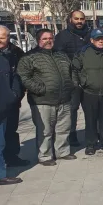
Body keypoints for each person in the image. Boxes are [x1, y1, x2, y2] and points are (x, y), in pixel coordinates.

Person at [17, 29, 76, 166]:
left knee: (63, 128)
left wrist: (72, 84)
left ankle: (62, 151)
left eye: (51, 38)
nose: (49, 41)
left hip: (64, 98)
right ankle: (45, 155)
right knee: (45, 130)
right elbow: (23, 76)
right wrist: (39, 89)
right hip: (43, 100)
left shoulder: (61, 54)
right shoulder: (30, 57)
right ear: (38, 41)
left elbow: (71, 71)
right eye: (45, 39)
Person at [71, 29, 103, 155]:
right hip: (89, 92)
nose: (101, 41)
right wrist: (81, 83)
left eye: (102, 39)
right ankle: (91, 144)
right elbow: (74, 69)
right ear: (92, 40)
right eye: (98, 39)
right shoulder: (83, 53)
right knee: (91, 120)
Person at [54, 10, 90, 146]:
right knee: (72, 109)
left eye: (82, 19)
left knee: (90, 108)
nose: (79, 21)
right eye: (76, 19)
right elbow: (59, 57)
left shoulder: (89, 35)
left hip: (88, 79)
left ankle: (91, 133)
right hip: (71, 80)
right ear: (71, 20)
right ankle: (72, 134)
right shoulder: (62, 36)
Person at [0, 26, 27, 167]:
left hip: (13, 101)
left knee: (11, 130)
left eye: (2, 37)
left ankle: (12, 157)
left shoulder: (16, 52)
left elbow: (23, 72)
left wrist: (18, 93)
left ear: (8, 38)